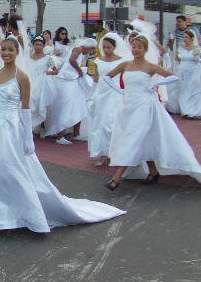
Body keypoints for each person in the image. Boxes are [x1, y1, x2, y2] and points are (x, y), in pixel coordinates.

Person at [0, 37, 125, 233]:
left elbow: (25, 109)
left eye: (10, 50)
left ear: (16, 52)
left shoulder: (22, 77)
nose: (6, 53)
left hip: (11, 130)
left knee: (10, 170)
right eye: (3, 49)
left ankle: (20, 211)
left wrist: (28, 138)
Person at [103, 35, 201, 190]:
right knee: (140, 138)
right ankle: (153, 171)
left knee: (135, 138)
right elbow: (107, 77)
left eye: (139, 47)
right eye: (134, 47)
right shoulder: (125, 64)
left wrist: (156, 83)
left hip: (145, 105)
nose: (136, 50)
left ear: (145, 49)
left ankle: (117, 176)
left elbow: (173, 77)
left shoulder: (150, 66)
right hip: (128, 106)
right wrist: (119, 90)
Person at [87, 34, 130, 166]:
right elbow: (96, 78)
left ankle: (114, 152)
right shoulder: (99, 60)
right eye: (104, 47)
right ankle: (103, 153)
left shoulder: (121, 61)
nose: (106, 50)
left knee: (109, 123)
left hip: (114, 94)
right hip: (101, 94)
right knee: (99, 124)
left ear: (114, 47)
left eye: (109, 47)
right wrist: (91, 94)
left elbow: (125, 79)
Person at [44, 39, 95, 145]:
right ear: (87, 46)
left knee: (79, 106)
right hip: (66, 82)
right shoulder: (78, 49)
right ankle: (60, 135)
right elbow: (72, 60)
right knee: (65, 108)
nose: (90, 52)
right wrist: (80, 71)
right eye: (91, 49)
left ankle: (76, 133)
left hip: (72, 81)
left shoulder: (77, 50)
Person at [27, 35, 56, 134]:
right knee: (30, 102)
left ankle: (42, 127)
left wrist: (47, 73)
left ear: (43, 46)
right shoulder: (29, 58)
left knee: (41, 103)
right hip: (31, 82)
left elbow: (56, 71)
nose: (38, 47)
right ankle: (30, 126)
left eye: (40, 45)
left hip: (42, 83)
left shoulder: (48, 58)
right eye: (36, 44)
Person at [176, 29, 201, 118]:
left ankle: (193, 111)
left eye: (186, 37)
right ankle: (185, 110)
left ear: (191, 38)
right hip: (182, 71)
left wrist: (196, 56)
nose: (184, 39)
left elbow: (198, 60)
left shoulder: (196, 49)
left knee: (193, 91)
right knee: (183, 91)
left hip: (193, 72)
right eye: (183, 37)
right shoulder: (181, 47)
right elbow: (177, 58)